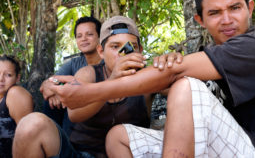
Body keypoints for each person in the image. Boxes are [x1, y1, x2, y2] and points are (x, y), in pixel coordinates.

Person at [49, 0, 255, 158]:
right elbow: (166, 76)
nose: (227, 20)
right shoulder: (208, 54)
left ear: (249, 8)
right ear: (200, 19)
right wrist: (165, 65)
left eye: (235, 8)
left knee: (186, 86)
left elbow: (175, 78)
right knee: (119, 137)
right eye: (215, 13)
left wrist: (90, 92)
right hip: (221, 145)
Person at [13, 16, 171, 158]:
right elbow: (74, 114)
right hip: (82, 154)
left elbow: (182, 89)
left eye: (130, 47)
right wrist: (114, 80)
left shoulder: (148, 76)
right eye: (115, 47)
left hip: (128, 153)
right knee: (31, 124)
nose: (123, 54)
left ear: (139, 50)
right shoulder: (88, 73)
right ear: (101, 51)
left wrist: (171, 64)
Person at [40, 16, 102, 135]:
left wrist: (61, 90)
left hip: (100, 106)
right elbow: (48, 83)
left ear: (99, 37)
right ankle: (54, 141)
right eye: (79, 36)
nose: (84, 39)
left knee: (70, 100)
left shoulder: (107, 60)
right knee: (52, 101)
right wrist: (57, 91)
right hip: (74, 114)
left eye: (89, 34)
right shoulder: (74, 62)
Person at [0, 55, 34, 158]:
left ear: (17, 78)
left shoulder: (15, 94)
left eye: (8, 75)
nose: (1, 79)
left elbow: (29, 140)